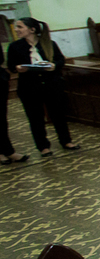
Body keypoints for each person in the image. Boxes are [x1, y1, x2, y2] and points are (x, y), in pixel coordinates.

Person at [7, 17, 78, 156]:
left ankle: (66, 141)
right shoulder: (15, 47)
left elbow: (60, 59)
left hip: (51, 84)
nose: (16, 30)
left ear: (32, 29)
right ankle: (43, 146)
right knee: (35, 118)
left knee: (58, 115)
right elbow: (11, 66)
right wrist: (17, 68)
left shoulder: (49, 43)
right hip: (29, 87)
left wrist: (54, 66)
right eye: (17, 27)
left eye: (20, 27)